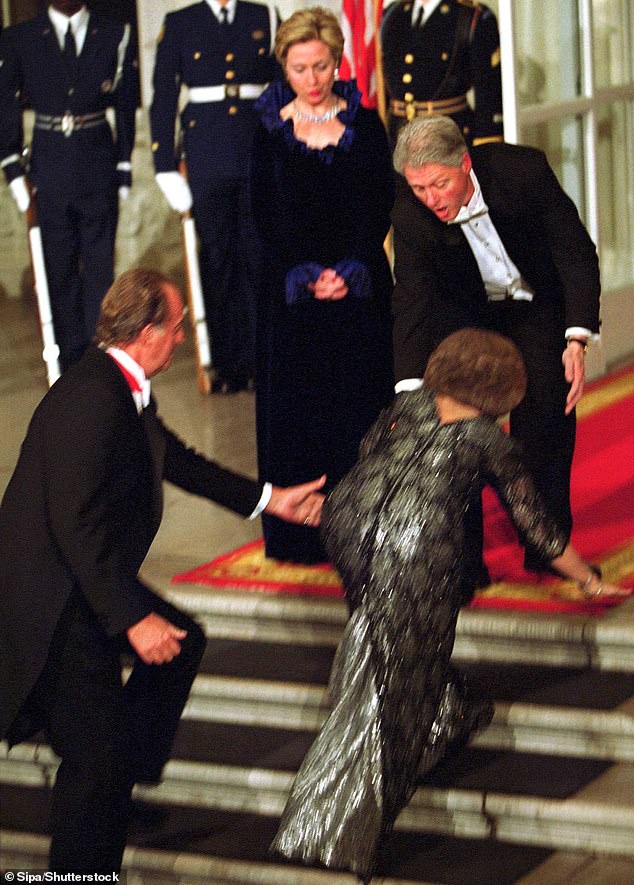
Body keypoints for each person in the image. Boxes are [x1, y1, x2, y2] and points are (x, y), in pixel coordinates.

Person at [271, 329, 629, 881]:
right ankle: (327, 829)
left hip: (350, 522)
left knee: (393, 644)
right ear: (502, 386)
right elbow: (534, 525)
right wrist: (588, 581)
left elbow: (368, 454)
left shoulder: (406, 403)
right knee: (394, 692)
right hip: (414, 547)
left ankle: (448, 716)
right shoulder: (488, 438)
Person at [0, 268, 325, 874]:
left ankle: (124, 779)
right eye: (175, 329)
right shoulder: (91, 399)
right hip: (55, 600)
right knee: (93, 760)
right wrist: (133, 619)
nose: (181, 339)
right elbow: (77, 530)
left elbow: (174, 458)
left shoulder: (120, 386)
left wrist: (268, 499)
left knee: (182, 645)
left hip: (81, 579)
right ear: (147, 332)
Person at [391, 115, 601, 580]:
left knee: (545, 412)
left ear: (465, 164)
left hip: (532, 302)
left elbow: (573, 251)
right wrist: (409, 390)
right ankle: (464, 563)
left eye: (439, 185)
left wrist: (577, 336)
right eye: (419, 188)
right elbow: (411, 297)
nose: (430, 199)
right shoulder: (410, 212)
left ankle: (548, 549)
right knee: (456, 428)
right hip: (466, 314)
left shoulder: (521, 171)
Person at [250, 6, 395, 564]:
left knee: (361, 409)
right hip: (290, 298)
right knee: (301, 415)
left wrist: (351, 269)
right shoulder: (267, 128)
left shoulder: (366, 124)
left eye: (321, 66)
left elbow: (379, 203)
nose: (311, 80)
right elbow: (263, 214)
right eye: (299, 68)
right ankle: (303, 536)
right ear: (284, 68)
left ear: (338, 62)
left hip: (358, 293)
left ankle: (368, 525)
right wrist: (305, 276)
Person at [0, 0, 138, 371]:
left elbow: (125, 105)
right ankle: (68, 363)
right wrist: (12, 167)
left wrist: (124, 167)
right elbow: (6, 105)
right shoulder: (19, 39)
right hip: (49, 166)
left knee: (99, 271)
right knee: (58, 269)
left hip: (97, 160)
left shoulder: (113, 35)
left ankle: (99, 361)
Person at [150, 0, 279, 394]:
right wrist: (164, 164)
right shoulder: (180, 23)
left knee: (259, 255)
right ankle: (226, 363)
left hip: (257, 146)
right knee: (219, 258)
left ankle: (264, 359)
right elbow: (163, 96)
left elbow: (281, 85)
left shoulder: (264, 16)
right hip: (206, 151)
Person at [380, 0, 503, 148]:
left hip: (447, 139)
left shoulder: (472, 16)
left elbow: (488, 94)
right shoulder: (392, 13)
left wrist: (485, 148)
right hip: (396, 137)